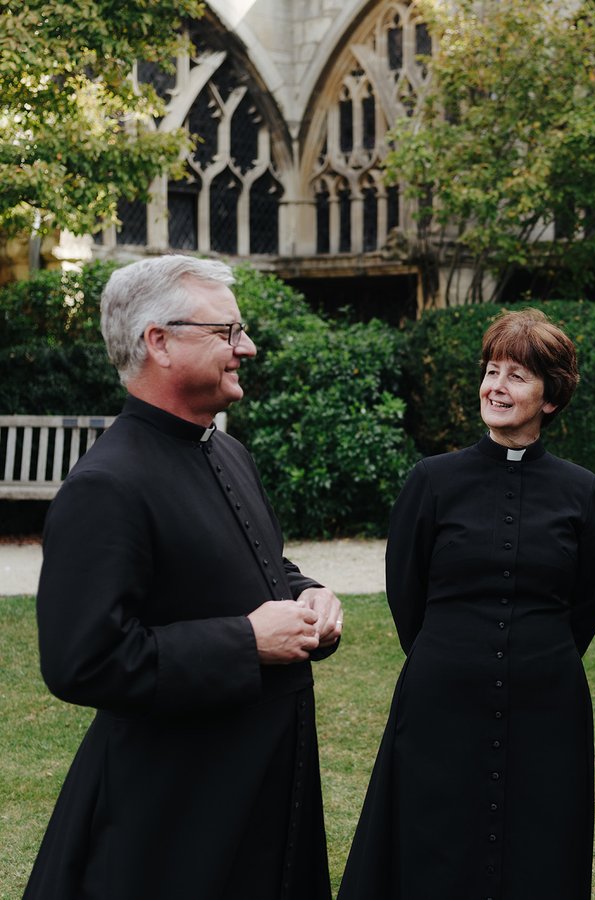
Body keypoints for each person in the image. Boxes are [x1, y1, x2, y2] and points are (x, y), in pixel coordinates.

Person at [24, 255, 343, 900]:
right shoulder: (105, 487)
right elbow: (80, 661)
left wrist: (306, 593)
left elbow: (253, 563)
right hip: (171, 813)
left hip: (260, 790)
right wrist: (245, 642)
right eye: (226, 332)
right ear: (159, 342)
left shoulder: (226, 449)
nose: (245, 348)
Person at [339, 309, 595, 900]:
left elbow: (588, 600)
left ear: (551, 397)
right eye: (492, 371)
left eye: (517, 375)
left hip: (548, 700)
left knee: (539, 840)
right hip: (443, 695)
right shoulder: (431, 481)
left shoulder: (582, 490)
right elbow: (405, 593)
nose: (497, 387)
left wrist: (537, 655)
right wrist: (454, 654)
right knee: (434, 837)